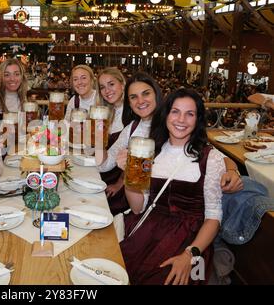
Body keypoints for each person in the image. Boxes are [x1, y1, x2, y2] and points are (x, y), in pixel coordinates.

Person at [121, 88, 225, 285]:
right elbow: (138, 208)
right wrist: (130, 176)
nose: (181, 120)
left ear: (198, 119)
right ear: (166, 114)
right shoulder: (151, 149)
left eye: (190, 114)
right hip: (148, 230)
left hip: (190, 240)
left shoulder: (210, 158)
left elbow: (213, 217)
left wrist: (190, 254)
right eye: (175, 111)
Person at [96, 72, 242, 196]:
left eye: (146, 93)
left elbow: (219, 157)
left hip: (170, 200)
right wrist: (98, 136)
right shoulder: (132, 128)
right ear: (129, 102)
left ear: (156, 94)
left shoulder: (175, 125)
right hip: (140, 197)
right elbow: (104, 166)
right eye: (134, 97)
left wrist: (231, 171)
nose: (140, 101)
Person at [96, 67, 127, 215]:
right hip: (104, 171)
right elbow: (100, 157)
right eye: (102, 87)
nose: (107, 90)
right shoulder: (106, 113)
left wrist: (119, 183)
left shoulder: (133, 113)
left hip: (120, 182)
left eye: (111, 84)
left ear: (122, 84)